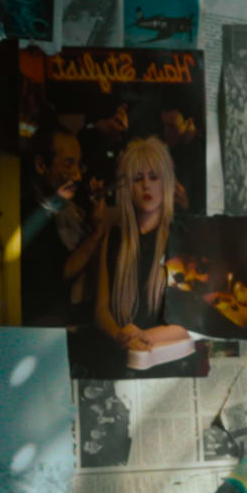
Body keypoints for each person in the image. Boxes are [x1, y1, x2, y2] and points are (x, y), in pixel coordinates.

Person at [68, 136, 195, 372]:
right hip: (121, 354)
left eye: (153, 177)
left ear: (165, 182)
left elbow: (189, 321)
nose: (146, 185)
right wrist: (121, 336)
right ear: (128, 187)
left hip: (164, 359)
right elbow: (101, 311)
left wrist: (145, 336)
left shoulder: (181, 238)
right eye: (138, 179)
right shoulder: (114, 238)